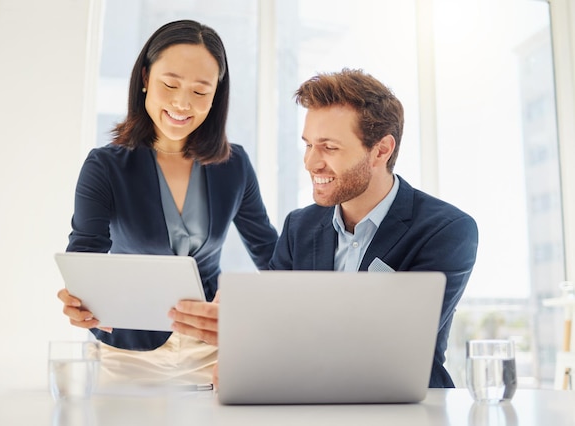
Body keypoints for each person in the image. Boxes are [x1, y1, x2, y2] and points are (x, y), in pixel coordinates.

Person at [170, 68, 479, 389]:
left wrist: (260, 331)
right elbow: (273, 318)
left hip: (405, 409)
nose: (310, 162)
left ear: (381, 150)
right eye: (308, 145)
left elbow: (395, 343)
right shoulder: (299, 227)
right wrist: (242, 331)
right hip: (307, 403)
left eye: (329, 148)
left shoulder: (447, 230)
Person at [56, 19, 278, 386]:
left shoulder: (233, 165)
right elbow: (85, 258)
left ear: (216, 95)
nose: (181, 103)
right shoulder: (105, 166)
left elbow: (271, 256)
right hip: (126, 352)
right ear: (145, 77)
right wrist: (80, 301)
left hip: (210, 350)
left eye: (200, 91)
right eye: (170, 84)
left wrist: (247, 306)